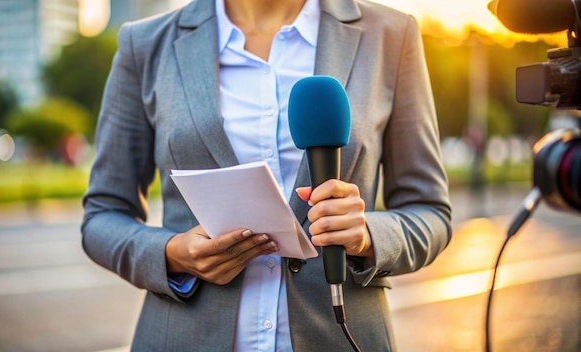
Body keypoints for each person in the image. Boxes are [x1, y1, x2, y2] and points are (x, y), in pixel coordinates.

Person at [81, 0, 452, 350]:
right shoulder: (144, 44)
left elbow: (430, 212)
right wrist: (172, 255)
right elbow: (102, 215)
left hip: (340, 337)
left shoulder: (391, 34)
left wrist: (367, 236)